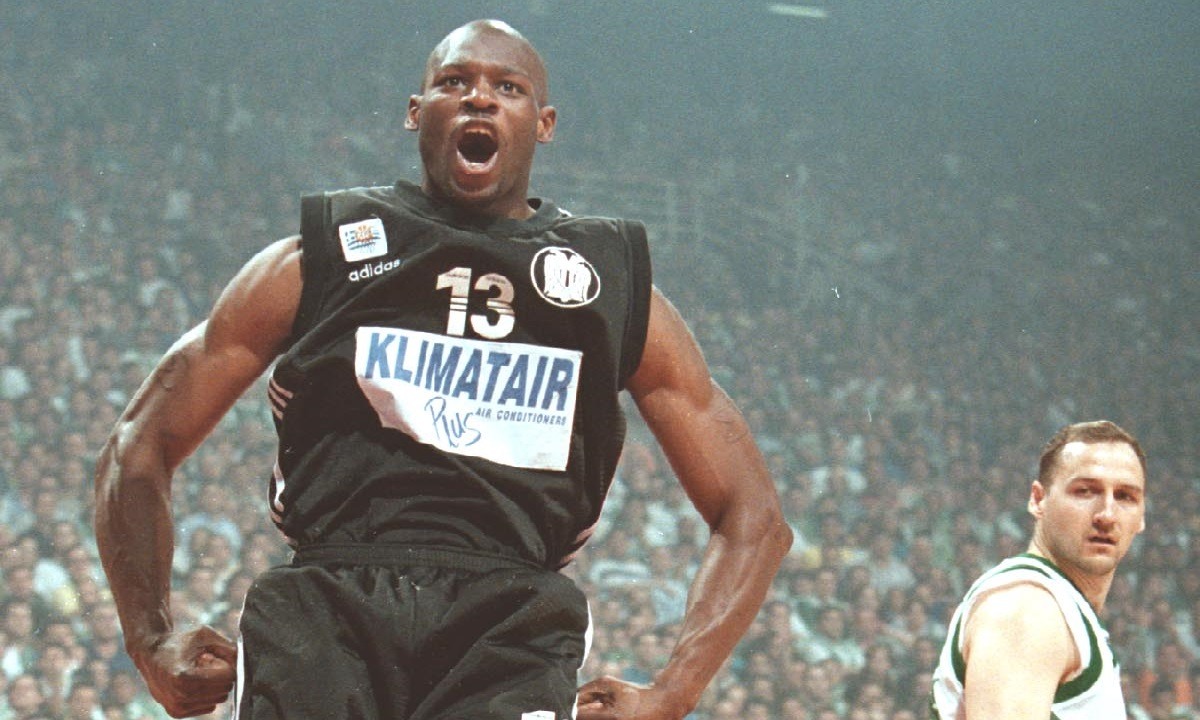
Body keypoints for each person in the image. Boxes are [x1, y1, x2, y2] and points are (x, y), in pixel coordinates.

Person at [93, 18, 791, 720]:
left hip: (511, 626)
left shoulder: (607, 284)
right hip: (325, 611)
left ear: (544, 123)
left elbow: (753, 515)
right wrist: (149, 639)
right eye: (454, 81)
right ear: (415, 111)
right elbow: (138, 444)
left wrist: (673, 693)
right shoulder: (323, 255)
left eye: (508, 87)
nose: (479, 97)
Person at [930, 420, 1147, 718]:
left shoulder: (1060, 608)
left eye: (1125, 496)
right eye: (1085, 491)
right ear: (1038, 500)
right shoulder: (1028, 609)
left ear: (1142, 516)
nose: (1107, 515)